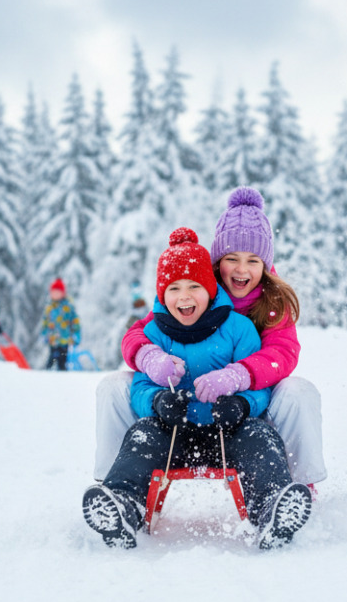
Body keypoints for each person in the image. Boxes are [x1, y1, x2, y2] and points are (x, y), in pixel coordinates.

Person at [82, 228, 312, 549]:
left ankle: (273, 508)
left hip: (229, 431)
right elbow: (140, 386)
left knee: (261, 438)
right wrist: (158, 402)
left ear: (211, 288)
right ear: (162, 295)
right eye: (174, 289)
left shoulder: (239, 328)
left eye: (194, 287)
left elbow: (264, 386)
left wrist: (243, 406)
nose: (185, 296)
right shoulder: (156, 331)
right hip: (171, 432)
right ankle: (122, 504)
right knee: (141, 438)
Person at [95, 187, 326, 486]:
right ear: (217, 261)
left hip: (249, 408)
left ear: (266, 265)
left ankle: (298, 487)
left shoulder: (272, 303)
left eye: (253, 260)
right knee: (113, 386)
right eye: (232, 258)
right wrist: (149, 356)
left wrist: (238, 378)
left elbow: (282, 354)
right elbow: (141, 331)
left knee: (298, 391)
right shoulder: (195, 292)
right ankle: (114, 485)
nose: (242, 269)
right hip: (178, 410)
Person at [41, 278, 81, 371]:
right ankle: (46, 375)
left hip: (65, 340)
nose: (55, 294)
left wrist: (76, 336)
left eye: (57, 292)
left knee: (62, 360)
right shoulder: (49, 308)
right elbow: (45, 323)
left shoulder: (67, 307)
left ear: (62, 293)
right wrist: (44, 335)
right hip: (53, 339)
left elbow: (75, 322)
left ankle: (62, 377)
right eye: (53, 292)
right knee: (52, 359)